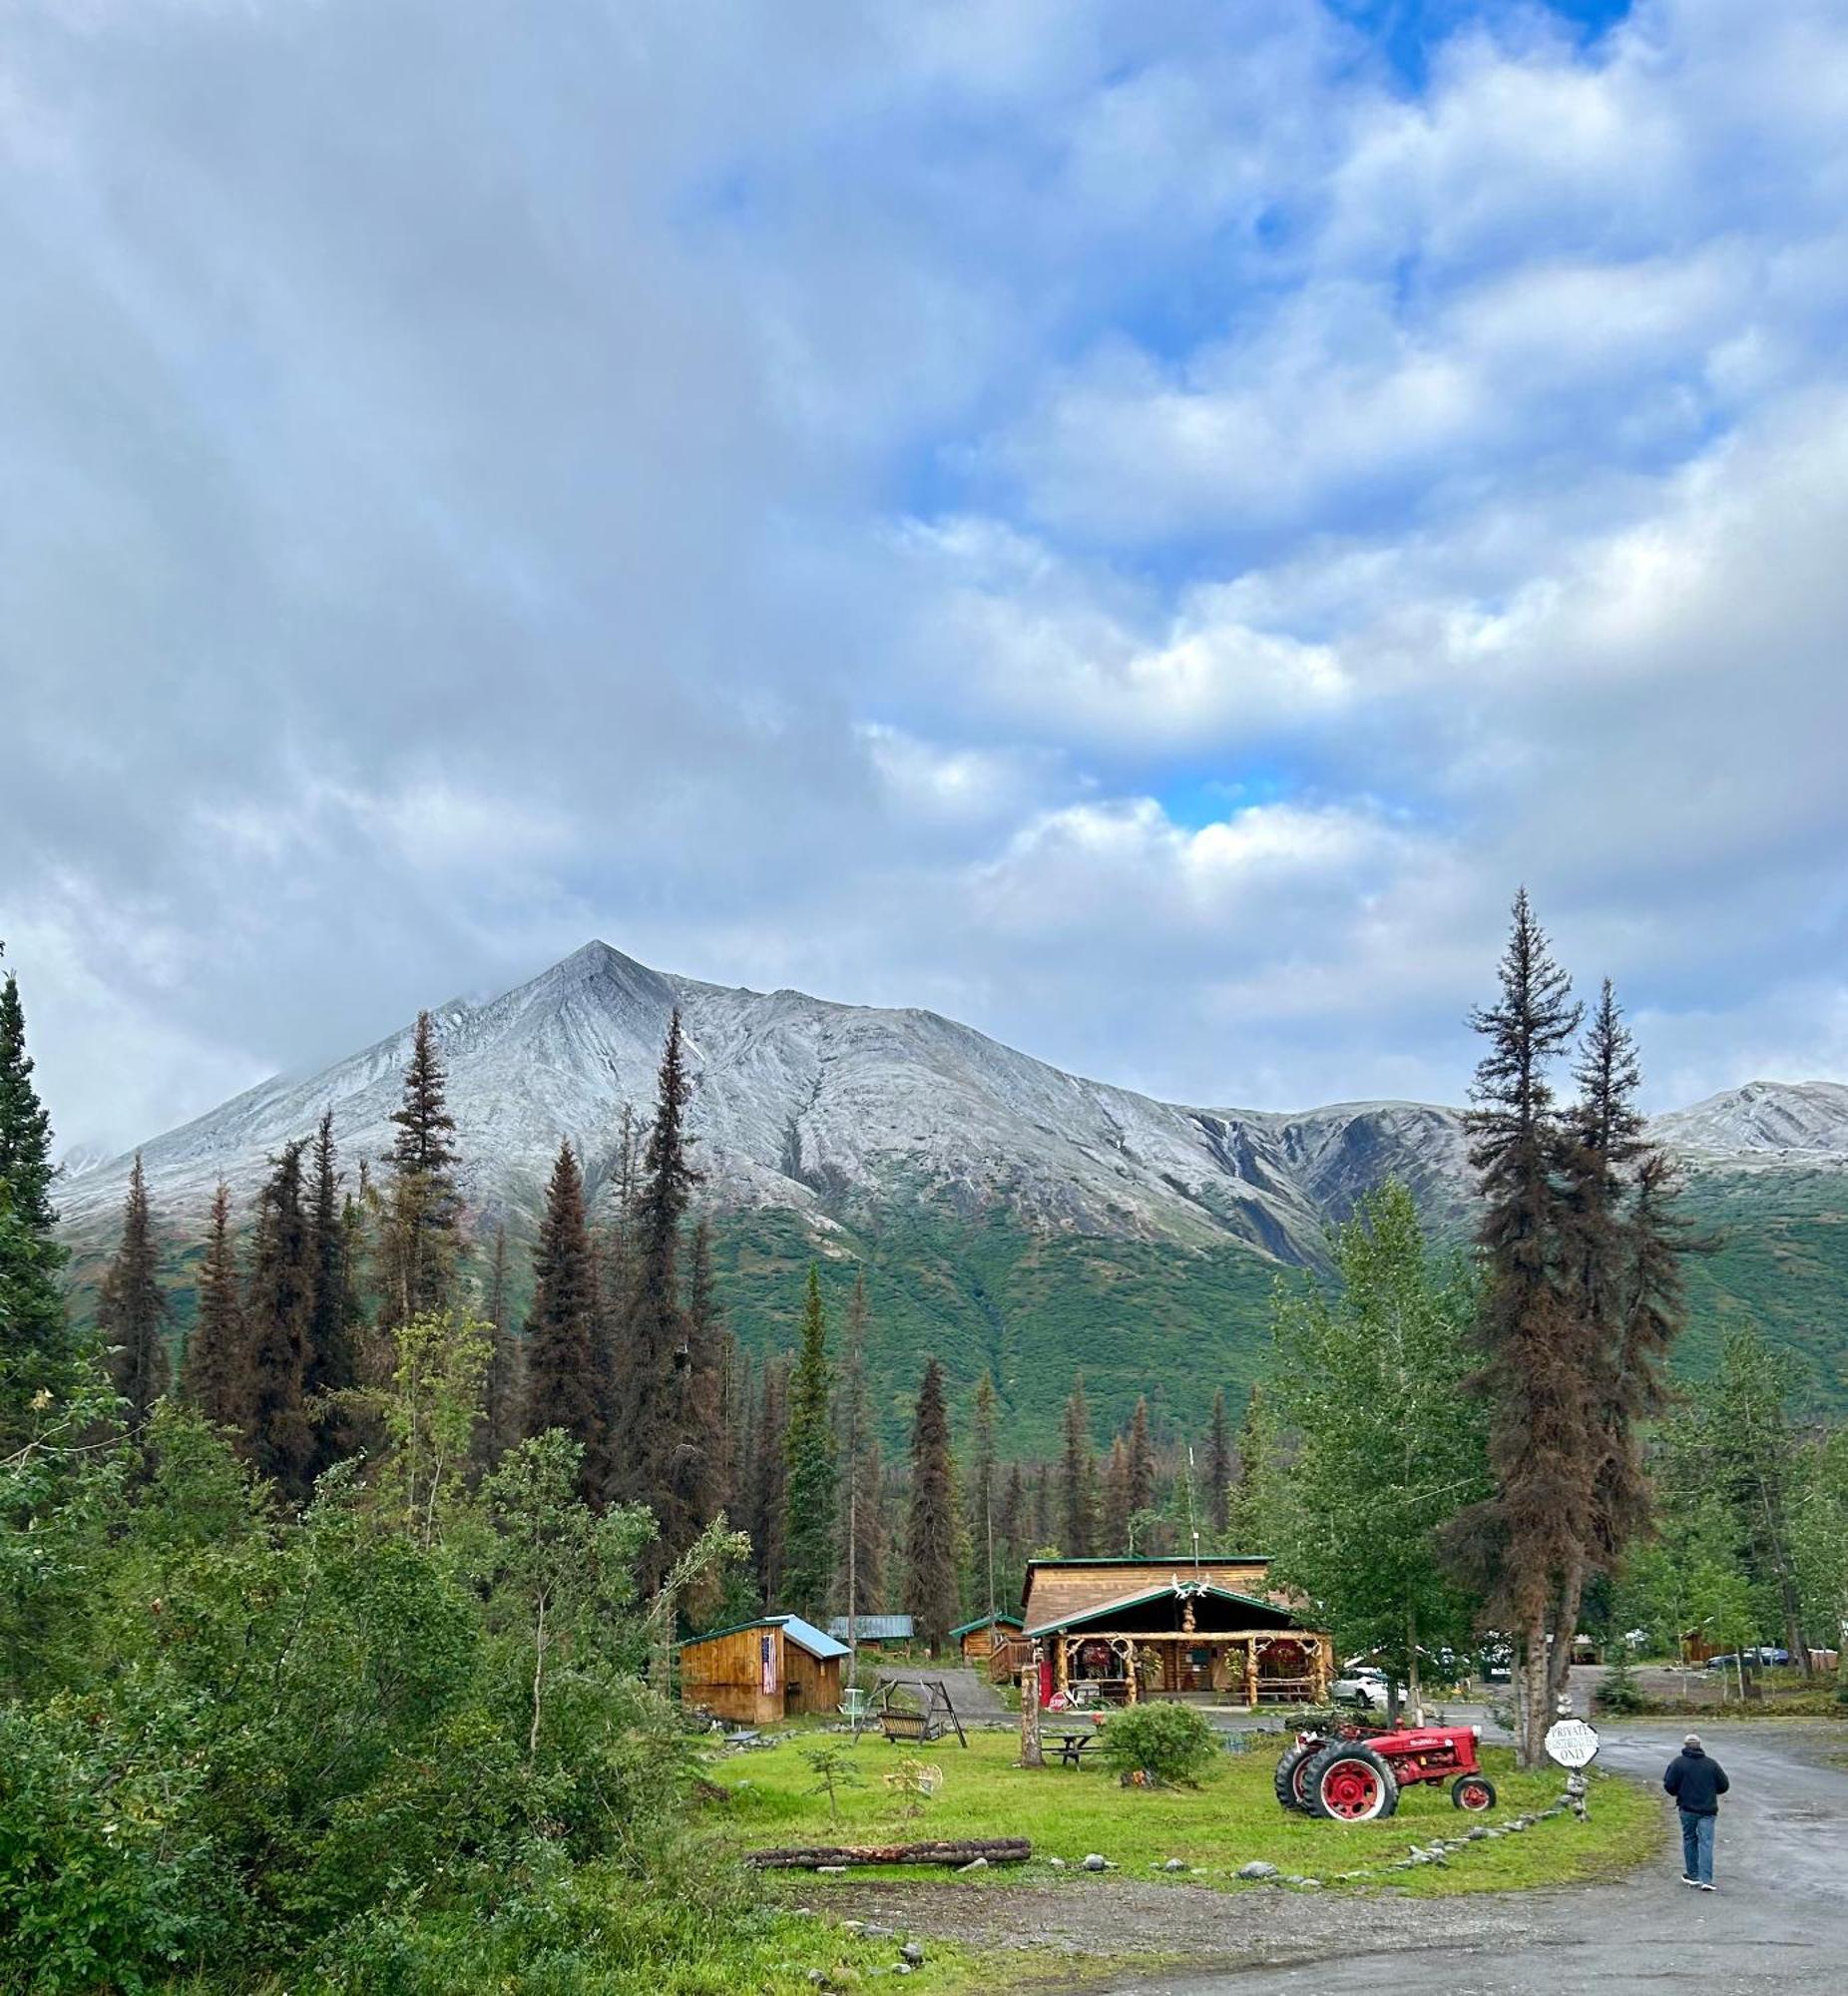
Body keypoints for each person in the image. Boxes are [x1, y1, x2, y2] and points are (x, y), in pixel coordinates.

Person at [1663, 1732, 1729, 1890]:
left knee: (1690, 1839)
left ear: (1685, 1746)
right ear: (1700, 1746)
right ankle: (1707, 1879)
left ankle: (1693, 1875)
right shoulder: (1711, 1764)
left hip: (1687, 1809)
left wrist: (1678, 1793)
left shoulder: (1678, 1763)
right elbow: (1724, 1785)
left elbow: (1669, 1785)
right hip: (1708, 1810)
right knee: (1706, 1843)